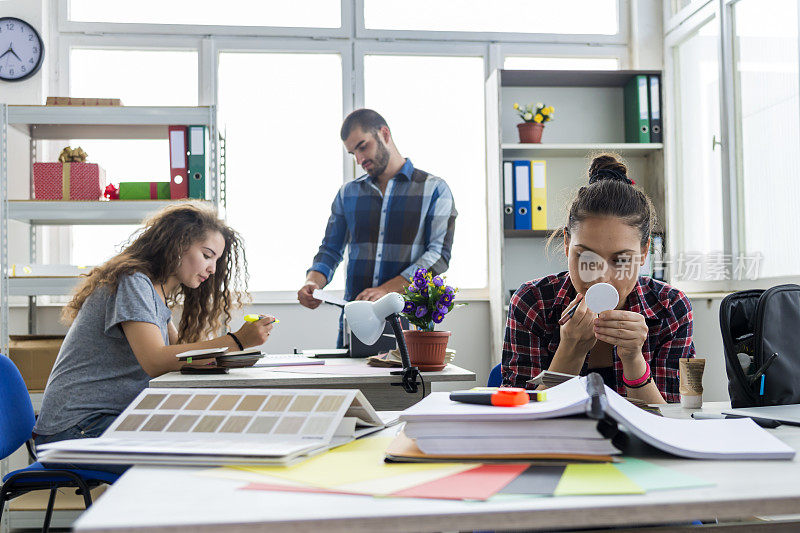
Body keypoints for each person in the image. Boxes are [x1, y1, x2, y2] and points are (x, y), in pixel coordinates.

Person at [33, 203, 274, 462]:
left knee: (212, 434)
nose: (213, 269)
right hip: (74, 431)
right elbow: (157, 361)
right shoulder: (134, 282)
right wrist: (237, 341)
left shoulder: (154, 291)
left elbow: (177, 357)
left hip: (99, 422)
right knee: (198, 456)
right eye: (207, 255)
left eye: (216, 260)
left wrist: (229, 355)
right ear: (178, 245)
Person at [502, 154, 694, 404]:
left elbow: (669, 426)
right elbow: (522, 420)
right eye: (586, 257)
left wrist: (634, 359)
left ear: (644, 251)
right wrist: (571, 349)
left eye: (620, 260)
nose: (601, 276)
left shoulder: (670, 307)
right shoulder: (533, 303)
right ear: (567, 242)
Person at [297, 108, 457, 346]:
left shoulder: (435, 189)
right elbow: (330, 250)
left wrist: (385, 291)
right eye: (353, 153)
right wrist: (313, 282)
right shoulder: (347, 194)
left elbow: (438, 257)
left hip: (408, 324)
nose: (359, 160)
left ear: (384, 134)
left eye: (363, 146)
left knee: (407, 383)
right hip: (355, 324)